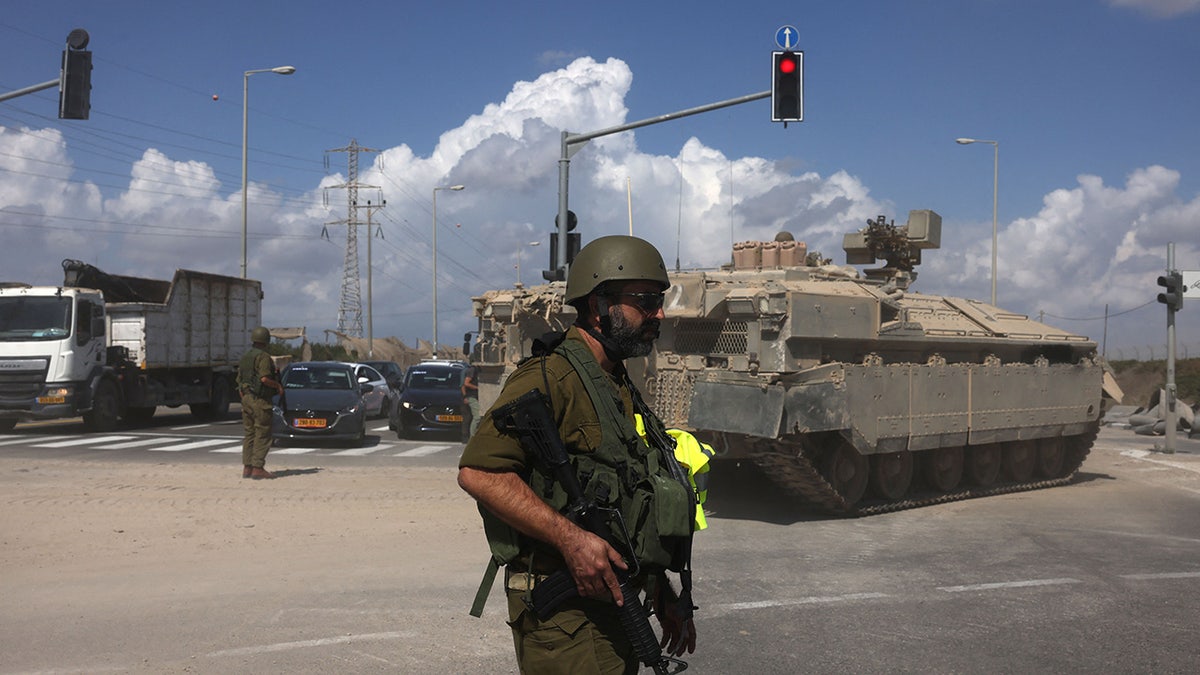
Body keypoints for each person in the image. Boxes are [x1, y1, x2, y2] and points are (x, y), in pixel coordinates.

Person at [458, 235, 698, 674]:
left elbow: (624, 499)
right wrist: (570, 539)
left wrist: (658, 588)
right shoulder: (551, 377)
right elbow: (480, 473)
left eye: (660, 299)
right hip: (567, 617)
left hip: (611, 602)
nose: (659, 313)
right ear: (599, 305)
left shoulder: (613, 380)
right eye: (645, 300)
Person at [236, 326, 283, 480]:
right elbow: (264, 378)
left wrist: (245, 397)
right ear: (266, 340)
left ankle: (247, 467)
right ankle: (258, 468)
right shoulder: (263, 357)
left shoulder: (246, 357)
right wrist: (277, 386)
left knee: (249, 433)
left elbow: (240, 381)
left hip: (247, 398)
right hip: (260, 400)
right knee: (263, 433)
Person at [461, 363, 480, 441]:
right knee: (477, 417)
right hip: (472, 396)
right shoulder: (472, 370)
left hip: (474, 396)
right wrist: (478, 388)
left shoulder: (475, 369)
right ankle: (472, 437)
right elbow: (465, 383)